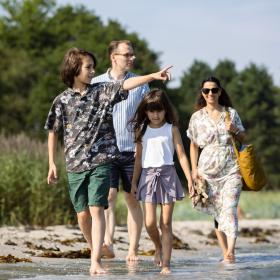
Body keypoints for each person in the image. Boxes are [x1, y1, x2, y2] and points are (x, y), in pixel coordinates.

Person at [44, 47, 172, 275]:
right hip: (75, 165)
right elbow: (53, 131)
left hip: (102, 160)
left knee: (97, 209)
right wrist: (52, 163)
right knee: (82, 215)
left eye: (93, 67)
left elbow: (126, 85)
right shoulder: (61, 100)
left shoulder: (102, 91)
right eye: (88, 67)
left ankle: (95, 262)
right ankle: (96, 248)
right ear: (74, 69)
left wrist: (152, 76)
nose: (93, 71)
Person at [91, 40, 149, 261]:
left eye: (132, 55)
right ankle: (108, 243)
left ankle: (133, 250)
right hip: (105, 150)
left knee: (132, 199)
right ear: (113, 57)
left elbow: (147, 117)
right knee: (109, 196)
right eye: (127, 55)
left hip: (132, 150)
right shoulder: (96, 83)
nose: (131, 58)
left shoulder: (141, 84)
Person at [130, 89, 194, 274]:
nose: (155, 114)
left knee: (165, 222)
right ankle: (158, 246)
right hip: (147, 176)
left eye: (159, 110)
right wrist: (134, 182)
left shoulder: (171, 129)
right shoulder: (141, 130)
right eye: (151, 110)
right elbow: (138, 159)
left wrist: (189, 178)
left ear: (165, 109)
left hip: (168, 175)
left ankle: (166, 264)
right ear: (145, 111)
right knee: (150, 223)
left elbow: (181, 155)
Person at [186, 76, 246, 263]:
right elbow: (194, 145)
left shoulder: (231, 113)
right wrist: (194, 170)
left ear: (220, 92)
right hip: (207, 171)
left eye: (214, 90)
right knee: (217, 211)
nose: (210, 93)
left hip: (231, 169)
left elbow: (244, 138)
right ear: (202, 93)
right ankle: (225, 252)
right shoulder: (197, 117)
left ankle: (231, 251)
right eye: (206, 91)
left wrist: (234, 129)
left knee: (229, 208)